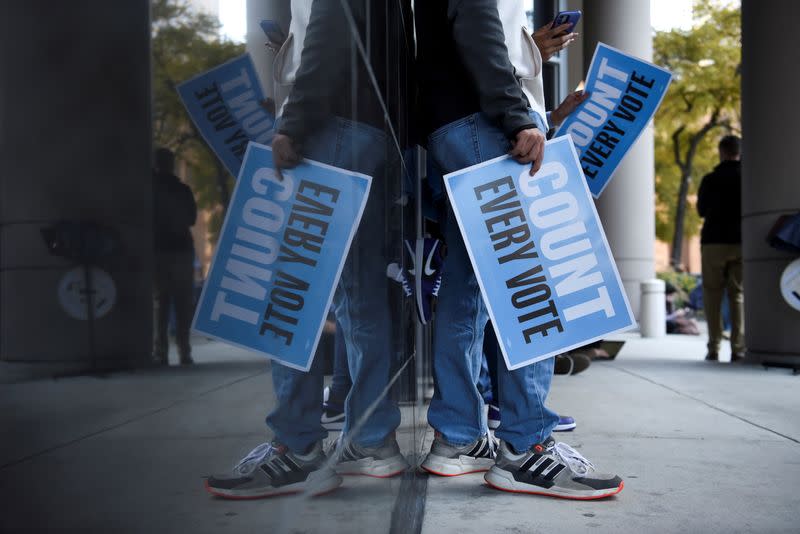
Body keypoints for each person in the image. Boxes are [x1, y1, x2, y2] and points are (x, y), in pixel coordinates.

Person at [205, 0, 415, 499]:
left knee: (290, 288)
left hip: (331, 130)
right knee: (360, 296)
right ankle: (371, 439)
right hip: (373, 131)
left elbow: (330, 31)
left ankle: (298, 447)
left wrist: (293, 122)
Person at [415, 0, 623, 499]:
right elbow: (477, 25)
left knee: (470, 288)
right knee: (531, 284)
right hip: (484, 127)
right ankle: (525, 447)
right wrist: (516, 116)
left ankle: (459, 437)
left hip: (456, 124)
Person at [697, 135, 745, 362]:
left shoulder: (710, 179)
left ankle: (714, 347)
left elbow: (701, 210)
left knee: (712, 296)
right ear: (739, 152)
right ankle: (738, 348)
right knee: (738, 295)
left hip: (713, 241)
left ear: (721, 152)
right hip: (741, 242)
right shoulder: (748, 177)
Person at [152, 147, 197, 366]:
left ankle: (160, 352)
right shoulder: (182, 190)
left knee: (161, 302)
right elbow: (191, 219)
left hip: (160, 250)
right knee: (182, 303)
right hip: (181, 249)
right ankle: (184, 351)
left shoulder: (149, 190)